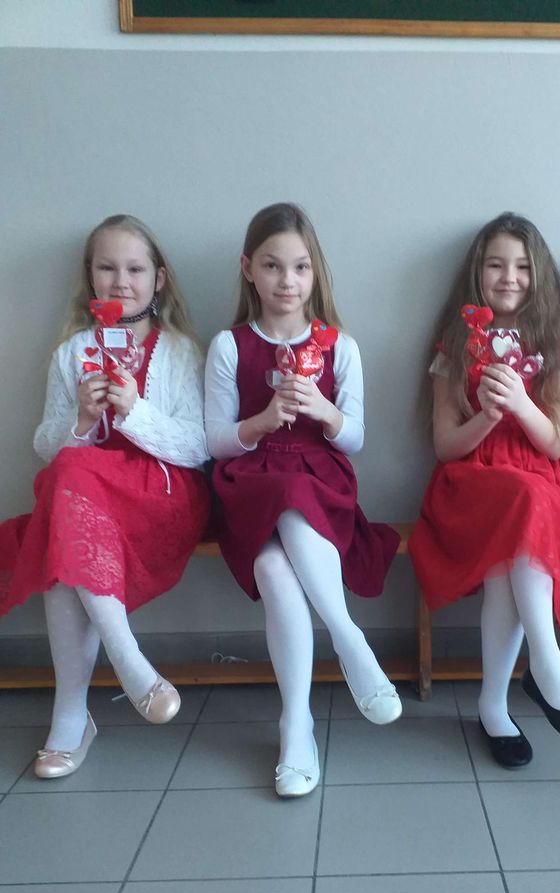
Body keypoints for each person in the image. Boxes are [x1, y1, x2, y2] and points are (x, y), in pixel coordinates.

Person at [0, 214, 210, 777]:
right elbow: (46, 445)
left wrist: (134, 411)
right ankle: (122, 674)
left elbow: (197, 446)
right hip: (86, 498)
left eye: (135, 269)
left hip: (162, 494)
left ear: (158, 279)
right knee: (68, 484)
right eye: (107, 268)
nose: (121, 281)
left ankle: (82, 706)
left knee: (63, 507)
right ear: (90, 277)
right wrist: (82, 419)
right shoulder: (73, 353)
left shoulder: (181, 351)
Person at [205, 202, 401, 798]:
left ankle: (300, 720)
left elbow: (356, 437)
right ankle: (345, 646)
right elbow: (214, 442)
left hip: (321, 479)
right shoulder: (230, 345)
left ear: (316, 272)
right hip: (248, 482)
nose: (286, 281)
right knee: (275, 535)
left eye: (300, 267)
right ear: (248, 269)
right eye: (272, 266)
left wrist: (324, 411)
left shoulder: (341, 347)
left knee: (280, 542)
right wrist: (264, 420)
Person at [409, 212, 560, 769]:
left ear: (539, 274)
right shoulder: (457, 344)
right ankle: (546, 665)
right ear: (478, 272)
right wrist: (489, 416)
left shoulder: (558, 344)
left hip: (539, 479)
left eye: (522, 266)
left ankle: (494, 705)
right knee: (522, 506)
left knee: (509, 567)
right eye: (496, 265)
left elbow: (557, 442)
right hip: (472, 481)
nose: (509, 277)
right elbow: (445, 445)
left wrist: (521, 403)